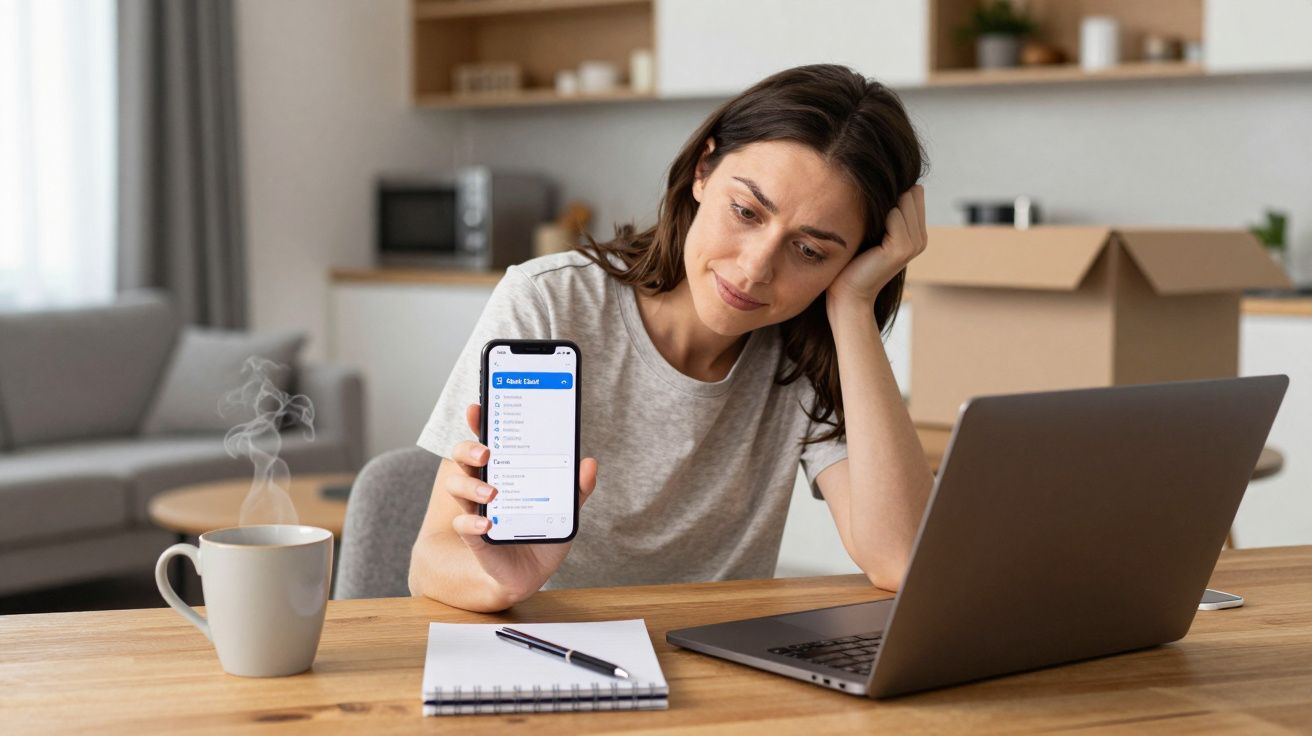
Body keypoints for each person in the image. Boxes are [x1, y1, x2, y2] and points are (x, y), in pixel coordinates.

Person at [409, 64, 931, 612]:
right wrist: (503, 582)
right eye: (746, 211)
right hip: (552, 653)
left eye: (811, 251)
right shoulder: (550, 302)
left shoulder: (810, 350)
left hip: (726, 672)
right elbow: (430, 561)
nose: (755, 269)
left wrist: (852, 306)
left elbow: (902, 558)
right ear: (703, 169)